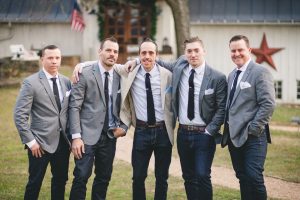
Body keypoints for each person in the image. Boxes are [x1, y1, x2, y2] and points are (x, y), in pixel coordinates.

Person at [156, 37, 227, 200]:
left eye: (196, 50)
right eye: (189, 51)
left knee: (202, 175)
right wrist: (136, 60)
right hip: (183, 133)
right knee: (188, 177)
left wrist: (210, 130)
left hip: (204, 134)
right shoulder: (180, 67)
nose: (193, 54)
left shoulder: (217, 77)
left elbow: (222, 108)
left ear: (204, 51)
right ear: (185, 53)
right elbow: (157, 61)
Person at [68, 36, 128, 200]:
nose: (112, 54)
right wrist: (76, 137)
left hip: (109, 136)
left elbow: (127, 105)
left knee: (104, 178)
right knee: (81, 177)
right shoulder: (85, 73)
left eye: (115, 51)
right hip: (86, 136)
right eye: (108, 50)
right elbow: (74, 107)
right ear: (100, 51)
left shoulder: (120, 76)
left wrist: (124, 126)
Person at [116, 38, 174, 200]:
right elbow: (107, 63)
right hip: (141, 132)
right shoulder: (129, 73)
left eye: (151, 53)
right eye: (143, 53)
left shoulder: (168, 75)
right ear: (139, 54)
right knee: (138, 176)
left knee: (162, 177)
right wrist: (81, 65)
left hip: (163, 131)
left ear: (157, 55)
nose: (147, 56)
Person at [221, 35, 275, 200]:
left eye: (240, 50)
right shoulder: (231, 76)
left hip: (254, 137)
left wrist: (253, 128)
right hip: (233, 136)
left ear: (249, 50)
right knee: (243, 178)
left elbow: (268, 104)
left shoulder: (260, 72)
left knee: (254, 177)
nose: (236, 53)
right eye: (233, 50)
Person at [14, 45, 71, 200]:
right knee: (35, 183)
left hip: (63, 143)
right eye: (50, 58)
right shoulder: (30, 83)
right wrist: (31, 142)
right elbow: (19, 115)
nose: (54, 61)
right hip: (39, 144)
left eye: (57, 58)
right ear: (42, 59)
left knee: (60, 182)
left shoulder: (67, 82)